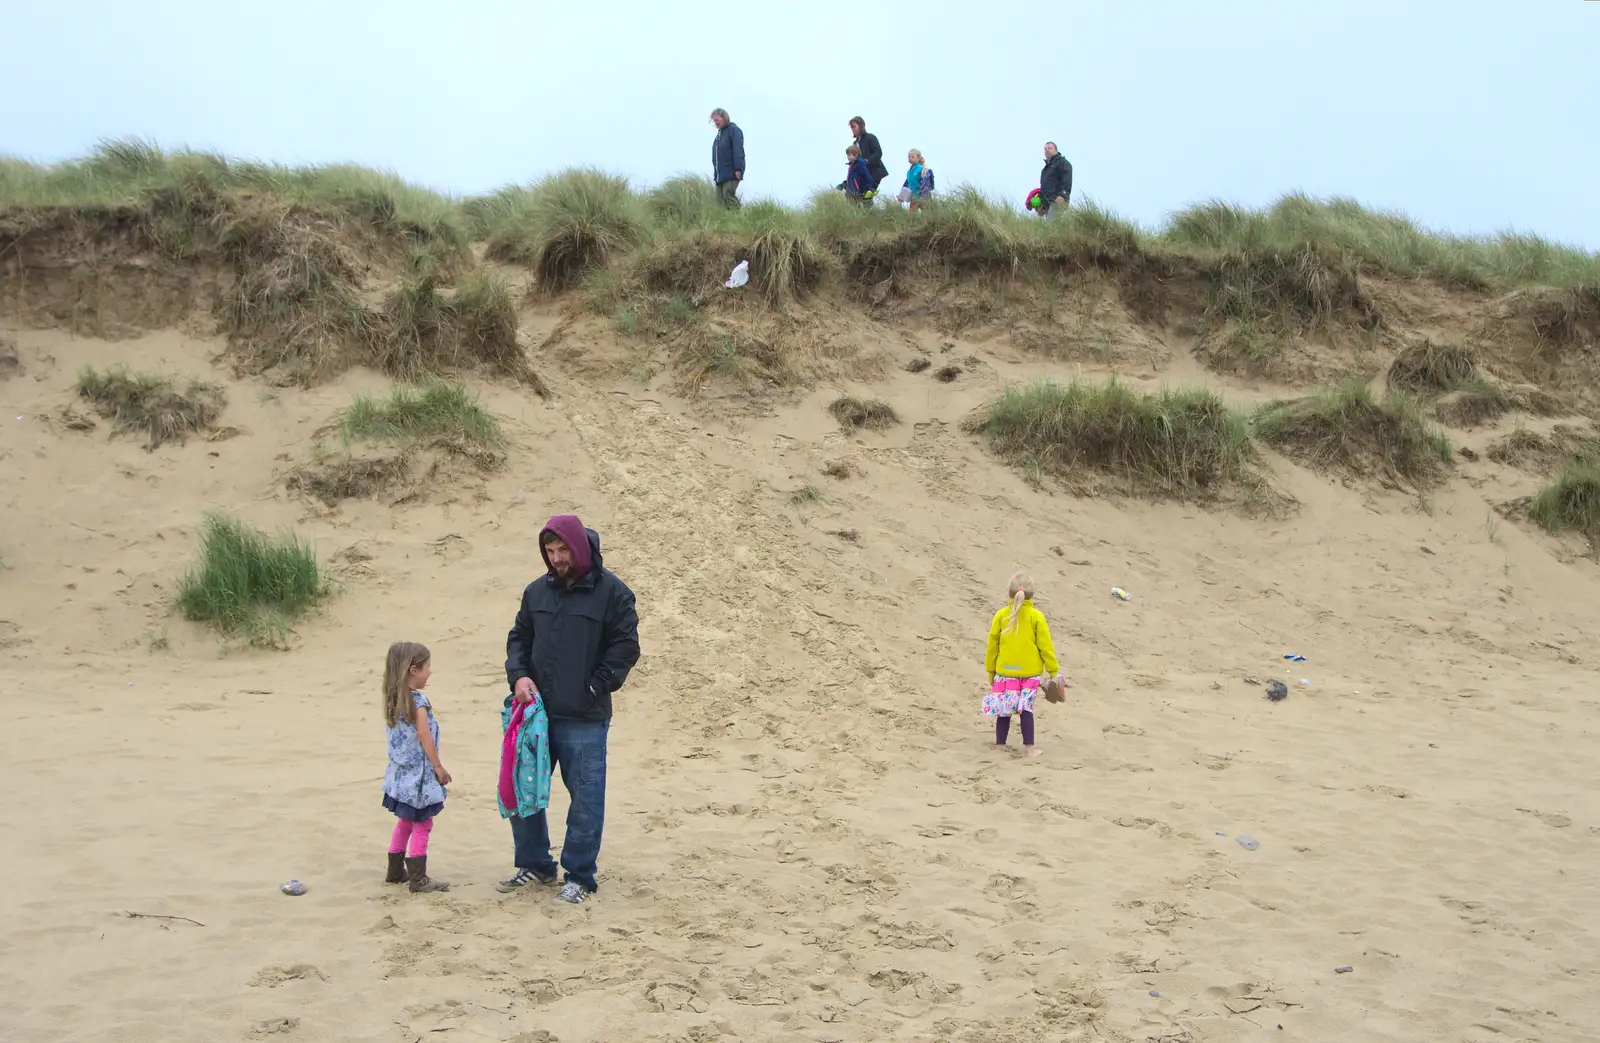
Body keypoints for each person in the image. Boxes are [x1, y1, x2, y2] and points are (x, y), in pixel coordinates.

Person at [499, 514, 641, 904]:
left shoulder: (614, 594)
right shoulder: (535, 593)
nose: (556, 558)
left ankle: (579, 874)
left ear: (578, 547)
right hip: (534, 713)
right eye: (549, 550)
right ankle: (535, 864)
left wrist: (594, 686)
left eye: (563, 549)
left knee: (586, 799)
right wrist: (518, 677)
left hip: (585, 717)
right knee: (522, 790)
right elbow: (519, 638)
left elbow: (626, 647)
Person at [381, 641, 451, 893]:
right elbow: (424, 734)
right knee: (423, 823)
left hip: (401, 778)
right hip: (419, 777)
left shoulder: (393, 698)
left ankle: (395, 870)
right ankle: (418, 878)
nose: (430, 672)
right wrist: (438, 766)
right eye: (426, 667)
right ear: (412, 670)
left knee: (404, 821)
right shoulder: (418, 701)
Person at [982, 571, 1067, 758]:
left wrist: (991, 672)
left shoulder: (1001, 615)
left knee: (1003, 712)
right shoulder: (1036, 617)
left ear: (1008, 595)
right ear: (1033, 596)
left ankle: (999, 747)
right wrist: (1053, 672)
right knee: (1026, 711)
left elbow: (992, 647)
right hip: (1029, 676)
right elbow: (1046, 648)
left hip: (1004, 674)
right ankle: (1029, 749)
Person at [710, 108, 745, 209]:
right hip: (720, 175)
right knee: (719, 201)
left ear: (724, 118)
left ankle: (740, 217)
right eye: (714, 121)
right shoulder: (719, 135)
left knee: (728, 196)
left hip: (731, 172)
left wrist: (738, 169)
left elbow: (738, 151)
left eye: (717, 120)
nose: (715, 123)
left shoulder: (734, 130)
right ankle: (725, 222)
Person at [848, 116, 889, 189]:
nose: (852, 129)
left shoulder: (870, 137)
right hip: (862, 174)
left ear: (860, 126)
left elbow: (878, 153)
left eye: (854, 126)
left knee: (867, 195)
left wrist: (867, 161)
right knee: (861, 196)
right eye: (851, 127)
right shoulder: (855, 143)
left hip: (874, 172)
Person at [1039, 142, 1073, 217]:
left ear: (1056, 150)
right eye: (1045, 149)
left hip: (1058, 201)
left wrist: (1063, 195)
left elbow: (1067, 180)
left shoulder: (1062, 162)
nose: (1047, 150)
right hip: (1048, 204)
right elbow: (1044, 188)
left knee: (1050, 223)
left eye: (1050, 148)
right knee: (1049, 227)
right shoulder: (1045, 170)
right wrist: (1042, 205)